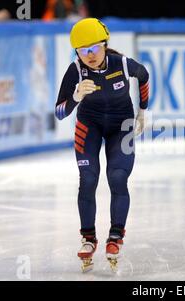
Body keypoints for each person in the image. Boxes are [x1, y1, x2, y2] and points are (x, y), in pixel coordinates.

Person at [55, 18, 149, 272]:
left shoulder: (123, 64)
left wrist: (142, 111)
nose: (89, 55)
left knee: (117, 177)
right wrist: (75, 97)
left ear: (105, 45)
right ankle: (88, 238)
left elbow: (144, 76)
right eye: (82, 51)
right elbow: (59, 112)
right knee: (88, 178)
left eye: (94, 48)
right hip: (90, 125)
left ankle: (116, 236)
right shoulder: (75, 70)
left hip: (122, 125)